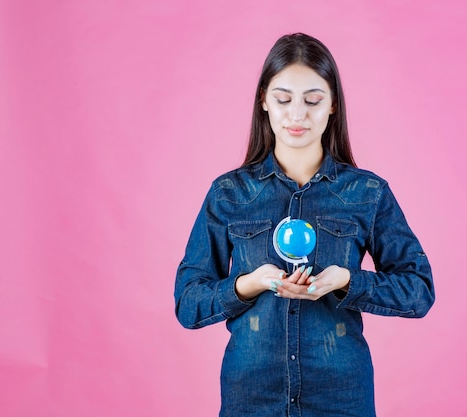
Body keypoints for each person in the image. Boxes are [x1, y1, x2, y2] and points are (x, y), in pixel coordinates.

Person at [174, 33, 435, 417]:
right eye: (283, 99)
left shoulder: (366, 192)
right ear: (263, 100)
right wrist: (250, 284)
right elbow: (188, 302)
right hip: (252, 398)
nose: (297, 115)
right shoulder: (228, 193)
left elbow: (418, 289)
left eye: (313, 100)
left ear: (332, 106)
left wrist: (347, 280)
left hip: (340, 397)